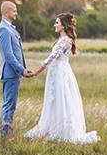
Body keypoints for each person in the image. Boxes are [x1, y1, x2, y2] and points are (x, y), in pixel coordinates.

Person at [24, 12, 99, 143]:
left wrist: (36, 72)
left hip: (60, 74)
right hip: (56, 73)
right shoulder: (61, 40)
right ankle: (53, 127)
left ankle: (63, 131)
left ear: (63, 26)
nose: (55, 24)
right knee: (54, 101)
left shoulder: (65, 41)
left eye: (57, 22)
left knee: (62, 100)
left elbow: (50, 59)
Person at [0, 1, 34, 137]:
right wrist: (21, 70)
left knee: (11, 103)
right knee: (9, 104)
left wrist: (23, 68)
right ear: (6, 12)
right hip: (10, 73)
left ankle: (6, 132)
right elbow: (9, 55)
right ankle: (6, 134)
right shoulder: (3, 30)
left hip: (14, 73)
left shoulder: (10, 28)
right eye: (14, 10)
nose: (16, 13)